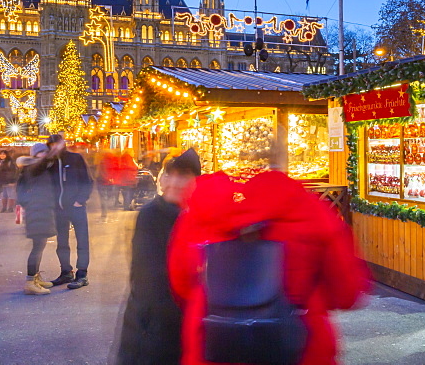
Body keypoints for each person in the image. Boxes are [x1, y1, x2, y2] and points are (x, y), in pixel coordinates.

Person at [168, 167, 370, 365]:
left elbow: (181, 286)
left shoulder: (195, 217)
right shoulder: (314, 212)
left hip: (213, 344)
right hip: (301, 348)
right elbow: (347, 293)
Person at [117, 148, 201, 365]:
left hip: (187, 324)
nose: (173, 182)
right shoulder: (152, 215)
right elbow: (150, 283)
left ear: (196, 181)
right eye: (168, 174)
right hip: (152, 327)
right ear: (161, 180)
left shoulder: (199, 216)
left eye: (182, 175)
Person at [46, 133, 93, 289]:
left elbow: (87, 180)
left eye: (57, 144)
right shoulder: (50, 162)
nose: (55, 148)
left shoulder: (75, 159)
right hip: (59, 208)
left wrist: (80, 200)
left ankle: (82, 274)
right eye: (51, 146)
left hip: (75, 206)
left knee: (82, 239)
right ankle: (66, 271)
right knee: (62, 242)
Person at [16, 143, 59, 295]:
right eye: (41, 152)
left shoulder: (38, 167)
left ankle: (35, 277)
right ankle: (29, 282)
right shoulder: (33, 168)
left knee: (40, 246)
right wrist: (32, 202)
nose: (44, 155)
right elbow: (21, 193)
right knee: (37, 247)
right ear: (35, 154)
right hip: (37, 210)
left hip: (43, 209)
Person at [0, 149, 18, 213]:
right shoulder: (0, 162)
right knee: (4, 195)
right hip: (3, 181)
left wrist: (13, 181)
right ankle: (4, 208)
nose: (2, 155)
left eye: (4, 154)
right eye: (1, 154)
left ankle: (10, 208)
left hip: (9, 181)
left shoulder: (10, 162)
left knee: (10, 194)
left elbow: (14, 172)